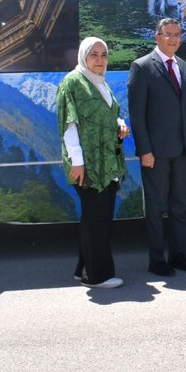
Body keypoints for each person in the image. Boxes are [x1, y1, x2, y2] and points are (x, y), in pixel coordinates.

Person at [128, 18, 186, 276]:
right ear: (157, 36)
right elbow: (137, 115)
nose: (173, 39)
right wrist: (144, 151)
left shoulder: (184, 67)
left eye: (177, 34)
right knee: (156, 207)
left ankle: (179, 255)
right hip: (156, 154)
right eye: (168, 34)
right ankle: (156, 260)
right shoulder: (142, 67)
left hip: (183, 150)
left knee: (180, 206)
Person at [57, 37, 129, 289]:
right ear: (83, 57)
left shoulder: (99, 82)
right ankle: (98, 275)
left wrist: (119, 124)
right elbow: (69, 124)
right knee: (97, 218)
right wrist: (77, 162)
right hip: (88, 163)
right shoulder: (73, 83)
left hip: (106, 161)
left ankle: (83, 269)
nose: (99, 60)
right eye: (93, 55)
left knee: (95, 217)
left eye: (103, 55)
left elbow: (108, 113)